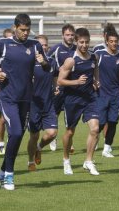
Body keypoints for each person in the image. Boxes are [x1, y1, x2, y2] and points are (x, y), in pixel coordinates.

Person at [0, 13, 49, 190]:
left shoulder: (35, 45)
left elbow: (48, 67)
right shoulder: (3, 44)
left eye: (28, 30)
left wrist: (43, 63)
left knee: (17, 136)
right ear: (15, 28)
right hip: (7, 97)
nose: (25, 33)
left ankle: (3, 169)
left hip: (26, 99)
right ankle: (9, 177)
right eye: (22, 30)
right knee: (18, 133)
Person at [57, 28, 100, 176]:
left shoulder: (94, 57)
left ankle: (88, 161)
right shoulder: (71, 60)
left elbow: (95, 71)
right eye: (81, 42)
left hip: (89, 98)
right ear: (76, 42)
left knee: (95, 129)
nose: (84, 45)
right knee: (70, 132)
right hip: (72, 100)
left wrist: (96, 81)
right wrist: (76, 81)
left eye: (87, 42)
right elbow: (60, 81)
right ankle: (66, 160)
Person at [94, 28, 119, 158]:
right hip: (102, 94)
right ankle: (93, 141)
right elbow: (91, 69)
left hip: (116, 94)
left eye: (116, 41)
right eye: (111, 41)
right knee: (100, 122)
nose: (114, 43)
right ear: (107, 42)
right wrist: (94, 81)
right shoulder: (99, 54)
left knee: (113, 121)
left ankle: (107, 148)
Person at [27, 34, 58, 172]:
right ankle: (30, 161)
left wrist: (56, 86)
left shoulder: (52, 61)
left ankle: (39, 148)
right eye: (40, 45)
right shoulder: (28, 62)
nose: (43, 47)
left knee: (52, 133)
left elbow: (55, 74)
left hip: (49, 103)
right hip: (33, 104)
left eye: (45, 45)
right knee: (34, 135)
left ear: (48, 47)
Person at [47, 24, 77, 152]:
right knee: (55, 112)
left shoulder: (77, 49)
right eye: (67, 35)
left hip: (72, 87)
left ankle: (69, 142)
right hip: (59, 87)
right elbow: (47, 63)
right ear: (62, 35)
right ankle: (53, 137)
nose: (70, 37)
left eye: (72, 35)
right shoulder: (56, 49)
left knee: (70, 115)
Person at [0, 27, 14, 155]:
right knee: (2, 119)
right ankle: (1, 142)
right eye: (7, 38)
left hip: (15, 89)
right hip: (2, 89)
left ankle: (11, 141)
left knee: (14, 117)